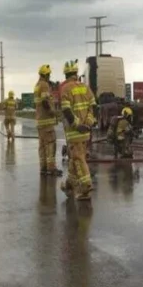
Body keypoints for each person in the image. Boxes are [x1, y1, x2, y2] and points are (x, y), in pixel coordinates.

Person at [59, 60, 96, 201]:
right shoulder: (86, 88)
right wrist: (88, 123)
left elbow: (66, 110)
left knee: (78, 159)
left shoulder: (66, 89)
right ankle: (69, 186)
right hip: (85, 132)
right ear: (75, 73)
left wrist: (77, 125)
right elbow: (93, 107)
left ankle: (86, 187)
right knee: (74, 160)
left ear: (66, 74)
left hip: (74, 133)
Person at [34, 64, 61, 176]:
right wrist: (52, 112)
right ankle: (51, 168)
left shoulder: (37, 85)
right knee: (50, 144)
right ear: (46, 75)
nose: (50, 76)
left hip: (40, 121)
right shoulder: (44, 85)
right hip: (47, 121)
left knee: (42, 145)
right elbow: (45, 101)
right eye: (49, 74)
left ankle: (43, 167)